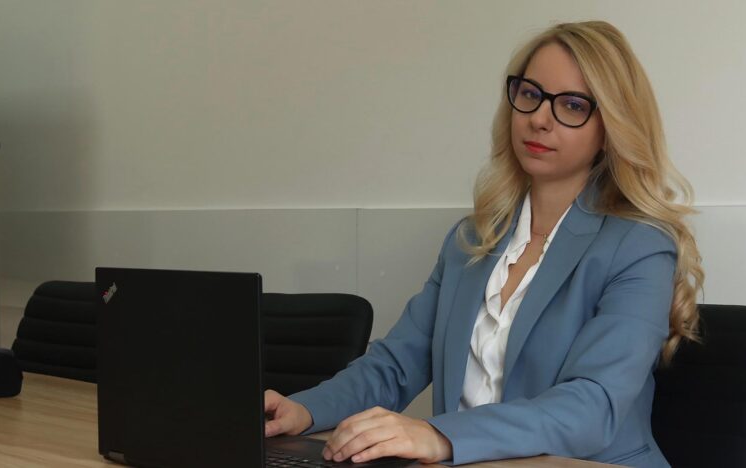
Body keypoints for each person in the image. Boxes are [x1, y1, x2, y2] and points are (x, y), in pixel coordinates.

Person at [263, 20, 703, 467]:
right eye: (530, 94)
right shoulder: (474, 238)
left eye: (572, 105)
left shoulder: (639, 247)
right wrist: (304, 410)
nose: (539, 118)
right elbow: (396, 364)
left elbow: (593, 406)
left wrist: (439, 435)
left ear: (610, 127)